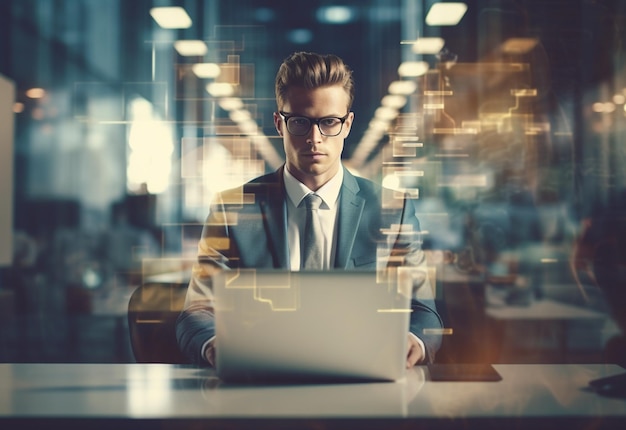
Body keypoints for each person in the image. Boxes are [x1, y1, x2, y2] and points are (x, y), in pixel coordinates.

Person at [176, 51, 443, 368]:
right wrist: (215, 344)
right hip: (261, 380)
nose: (314, 139)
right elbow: (196, 311)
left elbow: (425, 313)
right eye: (300, 122)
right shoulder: (232, 209)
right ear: (279, 124)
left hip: (363, 383)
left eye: (329, 122)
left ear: (347, 125)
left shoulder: (392, 210)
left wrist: (411, 341)